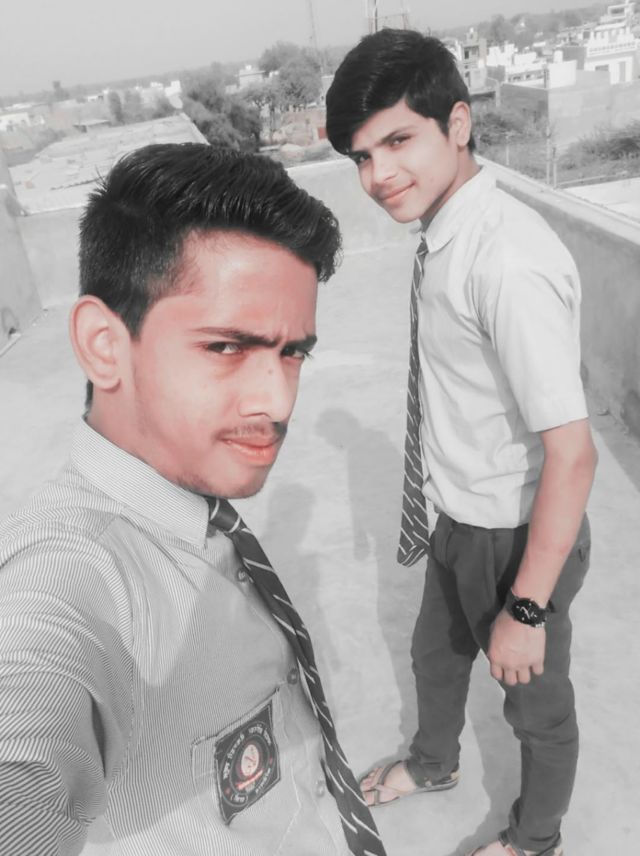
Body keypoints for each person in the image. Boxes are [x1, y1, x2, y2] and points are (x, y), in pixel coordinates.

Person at [0, 144, 386, 856]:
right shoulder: (71, 575)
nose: (277, 401)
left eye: (293, 352)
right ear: (104, 345)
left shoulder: (197, 509)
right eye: (227, 348)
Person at [325, 29, 597, 856]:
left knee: (536, 709)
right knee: (435, 660)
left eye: (398, 141)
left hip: (515, 537)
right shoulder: (445, 233)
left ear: (458, 124)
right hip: (459, 516)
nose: (379, 176)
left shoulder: (504, 260)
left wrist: (526, 608)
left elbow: (574, 452)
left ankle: (534, 840)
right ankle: (433, 764)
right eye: (362, 156)